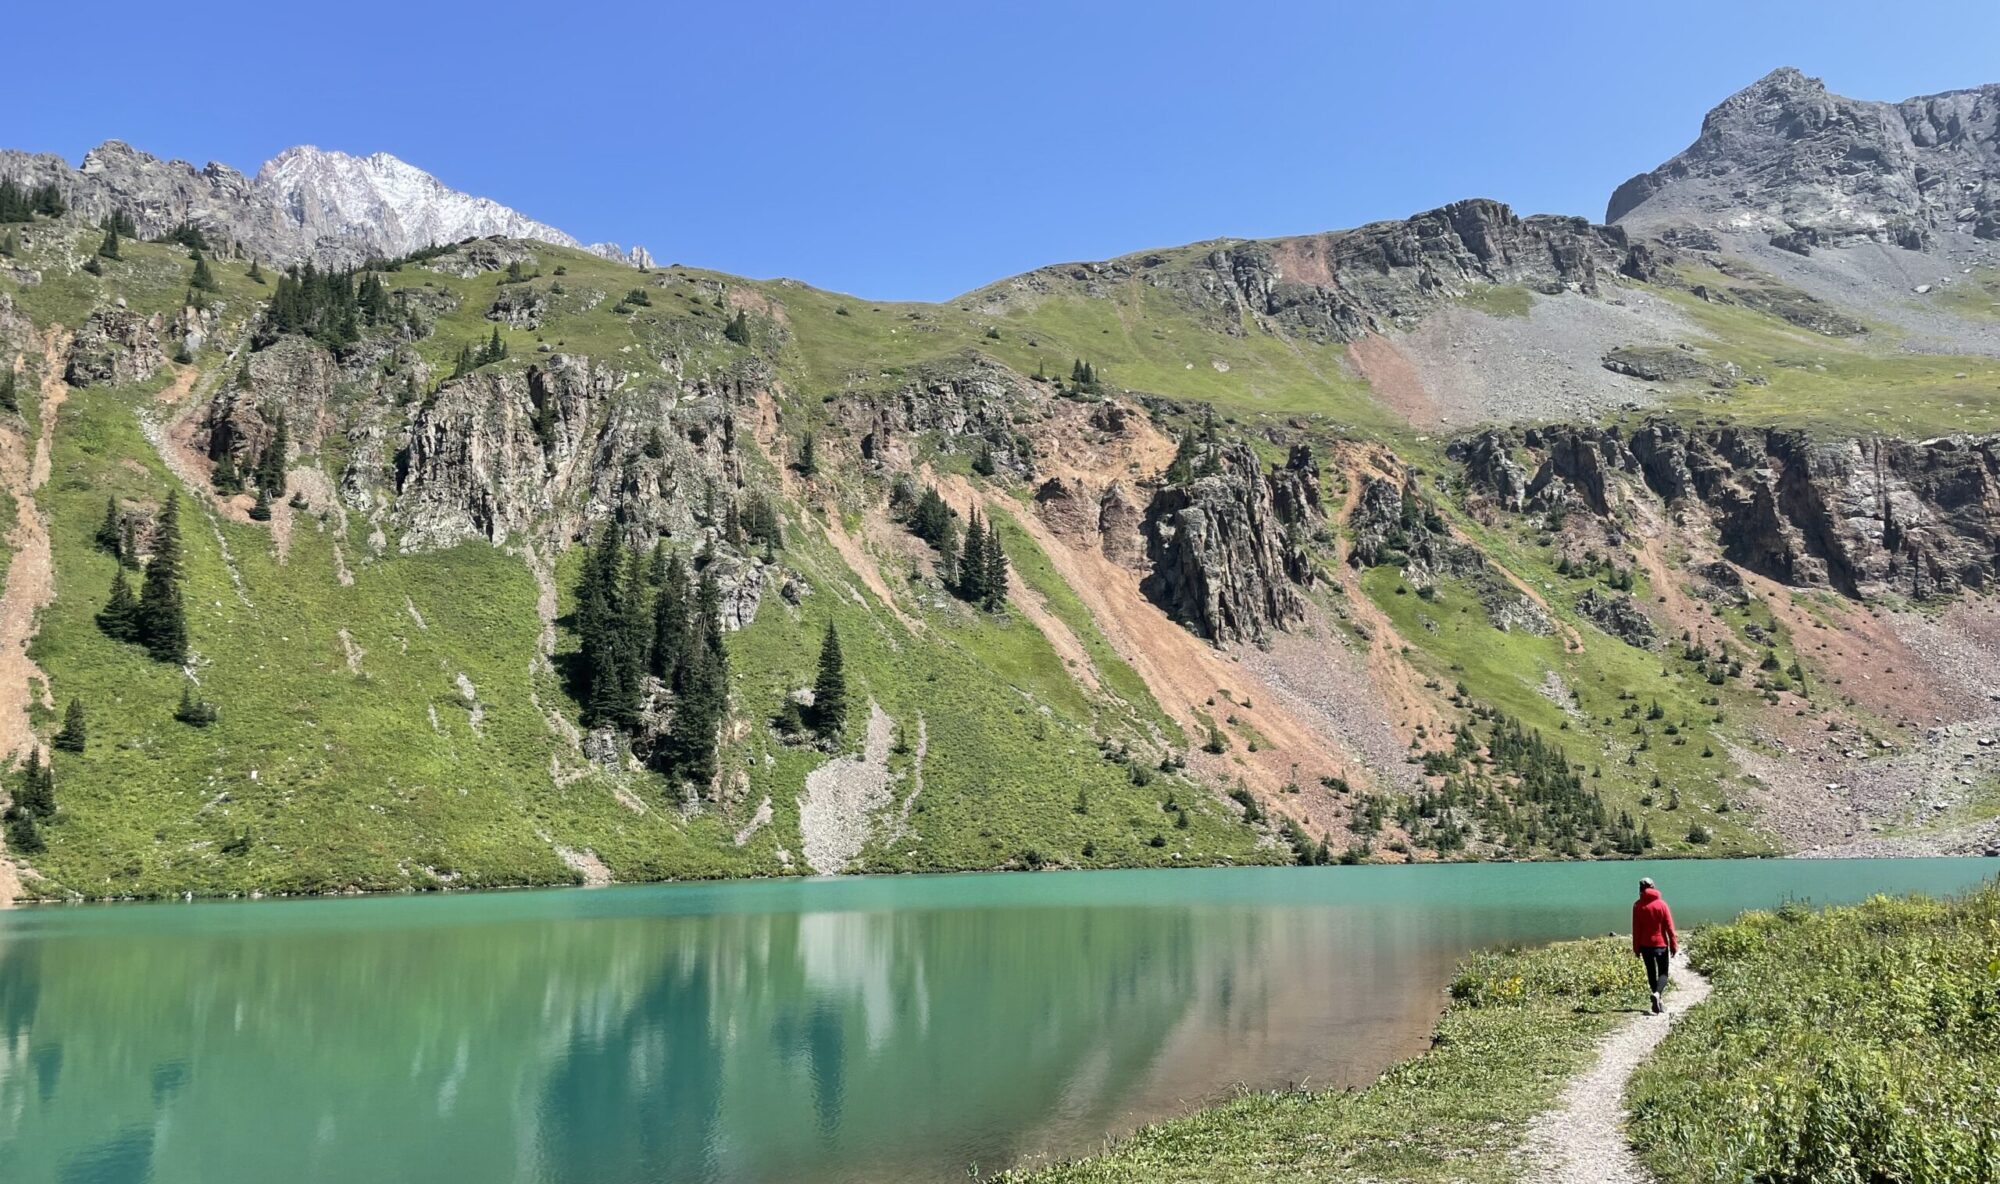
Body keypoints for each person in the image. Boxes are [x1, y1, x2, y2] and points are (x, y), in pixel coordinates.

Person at [1632, 877, 1677, 1014]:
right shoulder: (1662, 904)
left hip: (1645, 945)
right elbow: (1670, 927)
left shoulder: (1637, 906)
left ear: (1640, 889)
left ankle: (1657, 999)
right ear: (1653, 887)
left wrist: (1636, 947)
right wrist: (1674, 944)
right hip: (1661, 945)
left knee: (1651, 973)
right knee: (1663, 973)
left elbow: (1636, 929)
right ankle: (1658, 995)